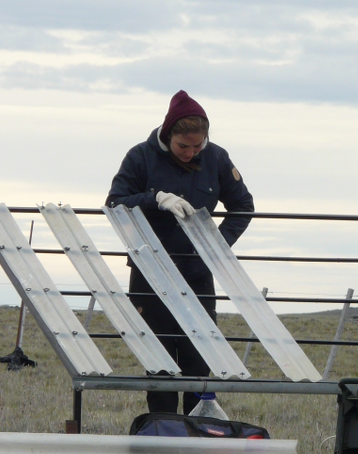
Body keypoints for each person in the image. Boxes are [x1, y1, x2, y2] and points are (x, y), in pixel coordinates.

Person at [106, 90, 255, 418]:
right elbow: (114, 203)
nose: (190, 153)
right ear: (167, 134)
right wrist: (155, 198)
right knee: (159, 363)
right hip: (150, 274)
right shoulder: (140, 157)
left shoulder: (217, 158)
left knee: (199, 360)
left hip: (197, 274)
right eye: (183, 146)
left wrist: (215, 246)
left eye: (197, 146)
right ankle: (162, 432)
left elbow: (243, 206)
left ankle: (196, 433)